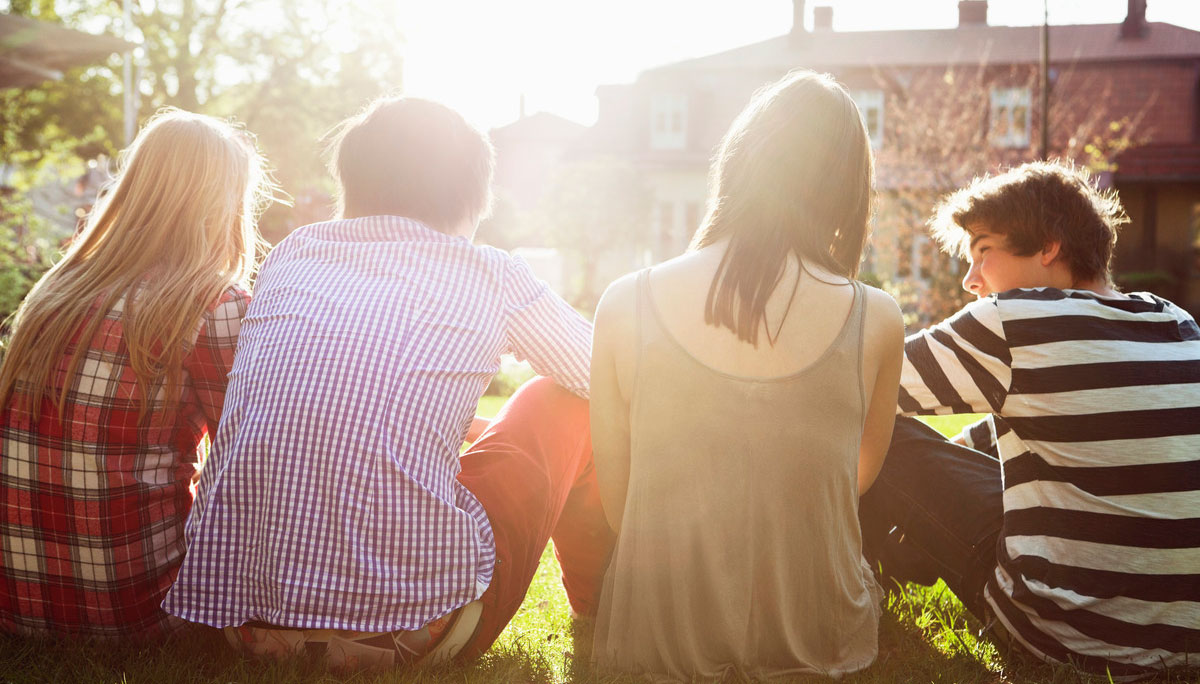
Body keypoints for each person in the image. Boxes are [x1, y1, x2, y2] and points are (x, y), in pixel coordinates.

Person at [162, 96, 615, 671]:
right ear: (471, 198)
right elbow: (606, 375)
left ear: (351, 186)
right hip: (412, 628)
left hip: (244, 626)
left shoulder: (293, 254)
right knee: (565, 401)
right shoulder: (490, 272)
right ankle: (599, 610)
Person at [589, 70, 905, 680]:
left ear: (736, 163)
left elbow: (618, 503)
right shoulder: (878, 317)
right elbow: (854, 479)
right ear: (846, 187)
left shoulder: (625, 302)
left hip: (661, 634)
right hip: (815, 634)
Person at [859, 160, 1200, 679]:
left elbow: (862, 385)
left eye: (983, 252)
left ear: (1048, 246)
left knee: (888, 434)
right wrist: (965, 447)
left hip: (1066, 632)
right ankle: (902, 558)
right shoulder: (1175, 323)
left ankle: (860, 578)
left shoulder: (1015, 321)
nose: (971, 280)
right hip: (1186, 638)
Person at [0, 108, 277, 641]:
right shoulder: (212, 303)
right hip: (138, 610)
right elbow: (249, 465)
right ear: (224, 202)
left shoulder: (58, 288)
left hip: (15, 602)